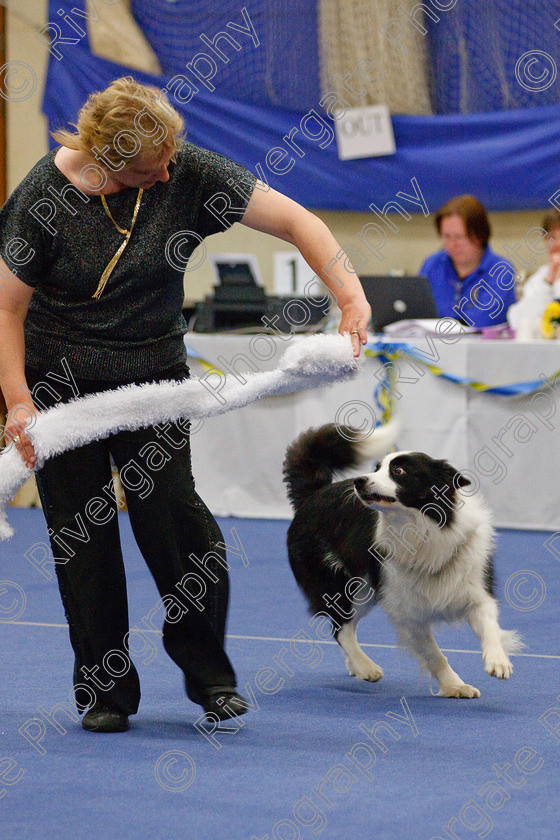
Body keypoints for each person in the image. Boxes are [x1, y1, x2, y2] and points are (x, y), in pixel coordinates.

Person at [0, 77, 371, 733]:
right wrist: (19, 401)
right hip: (61, 390)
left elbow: (296, 221)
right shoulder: (43, 198)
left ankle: (210, 677)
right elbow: (6, 307)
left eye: (172, 156)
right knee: (82, 542)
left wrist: (351, 298)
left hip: (154, 383)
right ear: (109, 165)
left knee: (179, 524)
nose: (169, 170)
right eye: (153, 168)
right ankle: (105, 693)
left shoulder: (184, 168)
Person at [419, 194, 516, 328]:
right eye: (446, 236)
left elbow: (481, 321)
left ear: (480, 235)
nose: (452, 245)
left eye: (459, 237)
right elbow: (417, 313)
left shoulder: (501, 271)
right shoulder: (432, 264)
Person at [507, 209, 560, 336]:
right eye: (551, 237)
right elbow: (518, 322)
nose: (557, 244)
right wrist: (548, 282)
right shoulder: (540, 279)